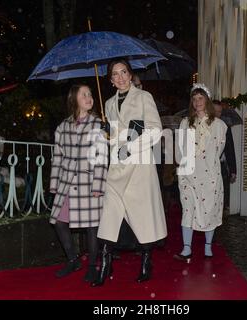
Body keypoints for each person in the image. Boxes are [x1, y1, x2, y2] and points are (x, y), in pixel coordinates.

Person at [92, 58, 167, 286]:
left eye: (124, 72)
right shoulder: (108, 103)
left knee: (142, 217)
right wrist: (108, 131)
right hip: (117, 167)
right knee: (110, 214)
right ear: (111, 80)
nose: (120, 77)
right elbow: (116, 135)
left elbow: (155, 130)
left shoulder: (144, 98)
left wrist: (130, 147)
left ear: (130, 74)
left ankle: (146, 260)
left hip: (139, 168)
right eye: (115, 74)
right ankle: (105, 263)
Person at [49, 84, 108, 283]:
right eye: (84, 94)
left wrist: (98, 186)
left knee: (92, 227)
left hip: (88, 182)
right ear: (74, 99)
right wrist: (54, 183)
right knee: (58, 221)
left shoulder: (97, 124)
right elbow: (57, 157)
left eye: (90, 94)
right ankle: (73, 259)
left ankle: (92, 265)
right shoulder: (63, 127)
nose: (89, 97)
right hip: (66, 181)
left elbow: (101, 157)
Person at [174, 83, 227, 262]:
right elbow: (179, 150)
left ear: (207, 100)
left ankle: (207, 246)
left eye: (201, 98)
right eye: (194, 99)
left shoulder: (219, 125)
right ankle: (187, 248)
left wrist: (206, 164)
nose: (197, 102)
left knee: (209, 210)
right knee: (188, 209)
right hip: (188, 175)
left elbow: (218, 151)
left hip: (209, 175)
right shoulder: (185, 123)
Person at [213, 100, 237, 210]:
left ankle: (220, 214)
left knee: (221, 195)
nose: (217, 114)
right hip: (207, 166)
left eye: (219, 112)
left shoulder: (225, 127)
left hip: (221, 166)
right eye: (215, 111)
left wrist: (233, 170)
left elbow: (230, 149)